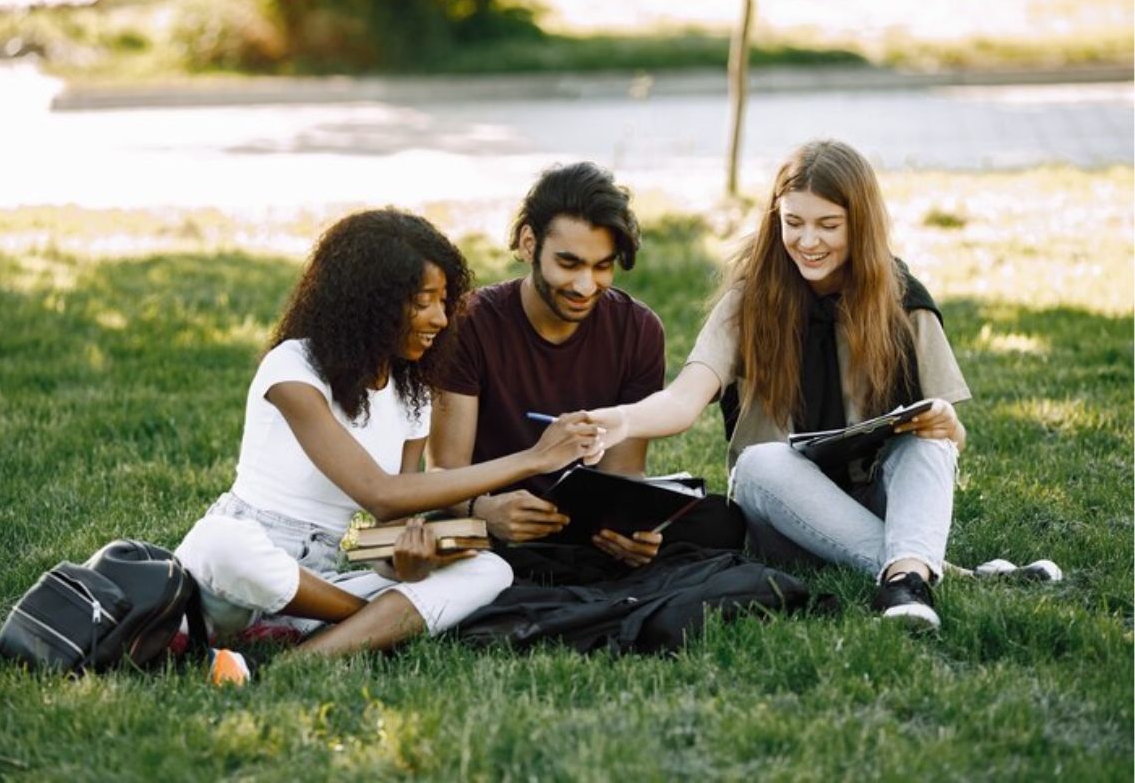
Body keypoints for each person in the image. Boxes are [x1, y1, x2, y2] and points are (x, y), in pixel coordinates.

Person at [174, 209, 601, 683]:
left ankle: (290, 662)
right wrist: (533, 458)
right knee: (222, 543)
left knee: (490, 570)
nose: (441, 318)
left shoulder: (409, 396)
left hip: (319, 580)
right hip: (232, 577)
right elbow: (379, 492)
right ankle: (365, 625)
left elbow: (386, 532)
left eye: (444, 300)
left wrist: (409, 561)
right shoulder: (292, 368)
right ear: (371, 303)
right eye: (424, 302)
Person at [586, 140, 971, 628]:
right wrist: (616, 420)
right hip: (777, 509)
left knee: (928, 441)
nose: (808, 241)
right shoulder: (750, 301)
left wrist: (948, 424)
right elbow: (683, 401)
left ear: (862, 224)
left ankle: (905, 579)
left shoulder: (903, 302)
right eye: (793, 223)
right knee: (761, 459)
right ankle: (922, 568)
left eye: (828, 225)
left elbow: (951, 447)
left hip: (870, 496)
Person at [428, 162, 744, 578]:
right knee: (441, 536)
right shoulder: (470, 323)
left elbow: (624, 472)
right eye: (569, 263)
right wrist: (484, 509)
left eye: (602, 266)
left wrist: (629, 530)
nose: (585, 285)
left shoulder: (638, 329)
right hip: (495, 518)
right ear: (528, 243)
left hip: (581, 527)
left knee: (721, 521)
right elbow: (444, 472)